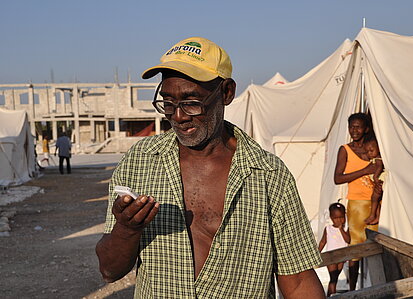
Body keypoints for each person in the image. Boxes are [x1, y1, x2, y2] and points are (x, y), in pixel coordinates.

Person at [95, 37, 325, 298]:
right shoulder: (141, 162)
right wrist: (127, 230)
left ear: (226, 93)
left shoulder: (268, 175)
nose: (178, 116)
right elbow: (109, 271)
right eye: (168, 103)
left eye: (192, 102)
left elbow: (297, 282)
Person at [333, 112, 380, 291]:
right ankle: (353, 290)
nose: (354, 130)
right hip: (357, 204)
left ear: (366, 128)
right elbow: (338, 178)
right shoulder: (345, 150)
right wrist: (365, 170)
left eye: (358, 127)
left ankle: (379, 285)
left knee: (377, 244)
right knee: (356, 247)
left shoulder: (373, 148)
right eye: (351, 127)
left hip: (376, 203)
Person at [318, 201, 350, 296]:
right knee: (333, 277)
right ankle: (333, 294)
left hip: (341, 256)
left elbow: (348, 240)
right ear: (331, 218)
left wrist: (341, 229)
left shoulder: (346, 228)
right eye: (336, 218)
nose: (339, 220)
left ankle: (329, 294)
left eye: (341, 217)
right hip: (331, 256)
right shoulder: (328, 229)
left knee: (335, 277)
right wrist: (318, 251)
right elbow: (323, 241)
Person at [363, 136, 385, 225]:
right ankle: (377, 216)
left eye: (371, 151)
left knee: (374, 198)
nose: (369, 153)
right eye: (367, 152)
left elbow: (379, 167)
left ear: (379, 149)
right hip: (377, 182)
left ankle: (372, 215)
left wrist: (376, 178)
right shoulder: (374, 158)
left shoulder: (378, 158)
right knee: (376, 199)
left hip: (379, 181)